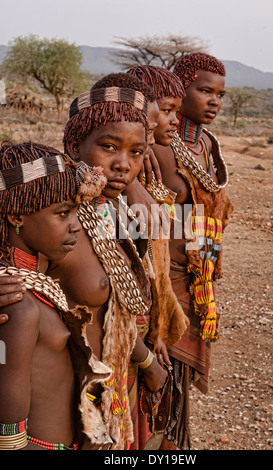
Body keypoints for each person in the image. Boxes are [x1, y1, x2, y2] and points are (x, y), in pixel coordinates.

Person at [0, 73, 185, 450]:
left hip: (119, 385)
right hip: (71, 411)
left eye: (136, 152)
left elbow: (119, 302)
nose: (123, 164)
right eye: (108, 146)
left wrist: (148, 357)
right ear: (73, 144)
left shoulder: (111, 210)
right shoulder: (52, 219)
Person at [127, 60, 233, 450]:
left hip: (194, 278)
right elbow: (141, 221)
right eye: (205, 91)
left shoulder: (205, 147)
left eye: (220, 94)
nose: (214, 102)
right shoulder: (147, 148)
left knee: (177, 389)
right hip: (159, 279)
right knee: (151, 382)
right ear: (181, 87)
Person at [0, 141, 84, 450]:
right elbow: (9, 440)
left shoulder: (33, 280)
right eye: (62, 214)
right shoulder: (17, 307)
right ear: (17, 217)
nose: (76, 226)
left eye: (75, 211)